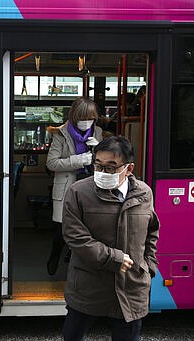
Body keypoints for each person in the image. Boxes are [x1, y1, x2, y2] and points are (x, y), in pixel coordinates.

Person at [61, 136, 160, 341]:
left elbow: (152, 232)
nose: (102, 173)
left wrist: (148, 266)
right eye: (98, 165)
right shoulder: (79, 192)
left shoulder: (144, 193)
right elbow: (75, 236)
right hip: (88, 285)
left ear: (129, 168)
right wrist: (113, 258)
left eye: (111, 167)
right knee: (73, 335)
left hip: (130, 286)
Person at [46, 97, 103, 275]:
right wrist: (78, 160)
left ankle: (75, 259)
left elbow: (107, 162)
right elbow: (51, 163)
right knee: (62, 228)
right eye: (83, 118)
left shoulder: (98, 132)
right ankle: (55, 254)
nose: (87, 122)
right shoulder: (60, 134)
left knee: (87, 227)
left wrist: (100, 148)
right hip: (67, 186)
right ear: (74, 116)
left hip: (91, 187)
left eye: (91, 118)